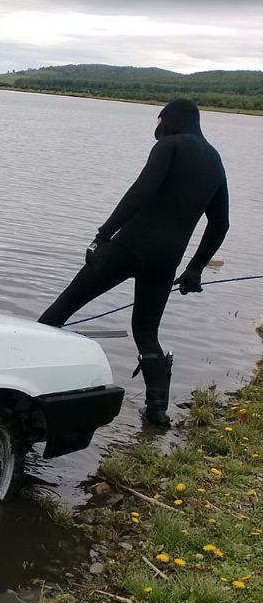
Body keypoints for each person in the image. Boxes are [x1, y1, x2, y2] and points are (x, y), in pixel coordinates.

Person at [37, 99, 229, 427]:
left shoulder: (170, 145)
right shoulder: (215, 161)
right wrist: (195, 267)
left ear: (170, 120)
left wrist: (102, 235)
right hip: (168, 259)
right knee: (145, 330)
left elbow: (142, 190)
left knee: (64, 306)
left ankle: (24, 378)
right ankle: (157, 410)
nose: (158, 127)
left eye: (160, 121)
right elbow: (220, 223)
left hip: (131, 245)